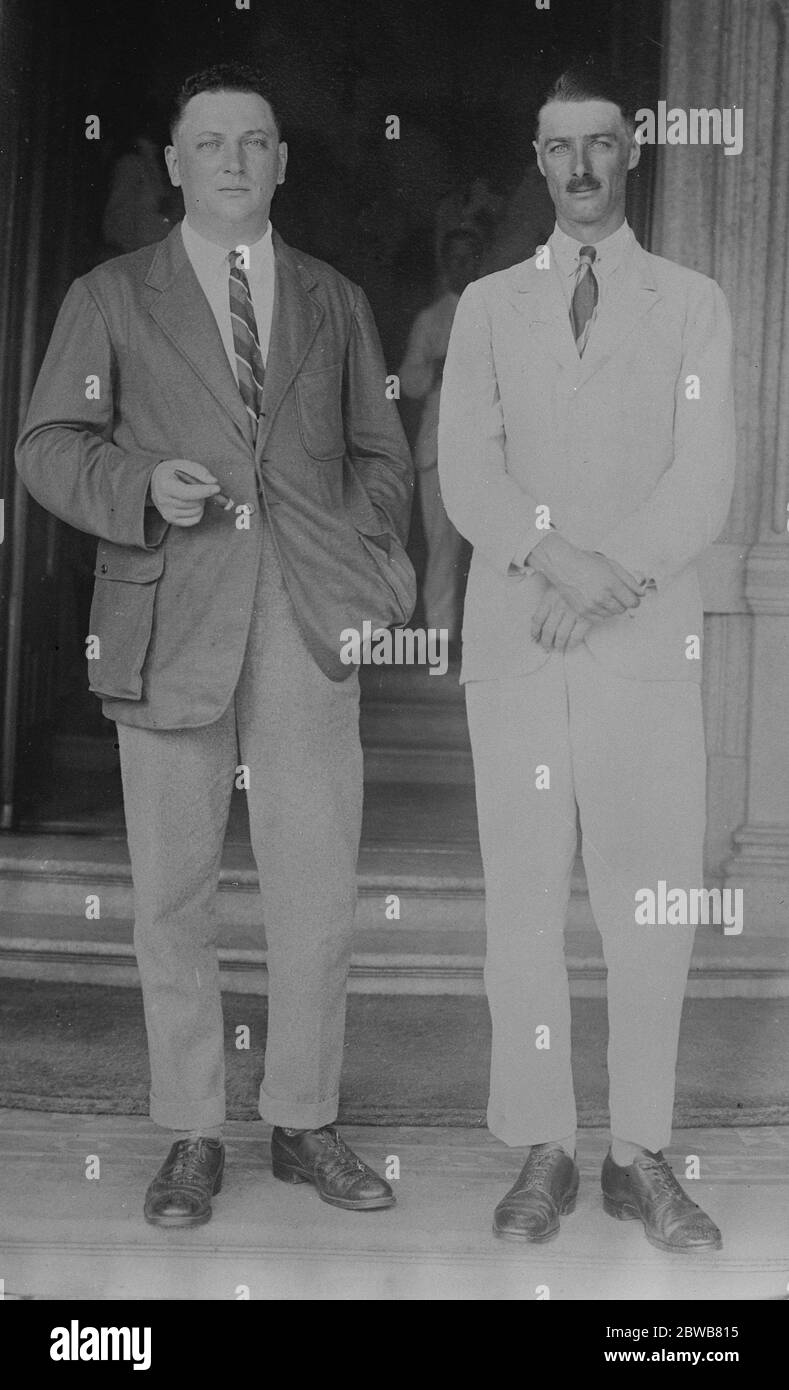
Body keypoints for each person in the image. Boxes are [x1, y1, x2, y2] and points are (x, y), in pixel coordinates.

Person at [17, 63, 415, 1228]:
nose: (234, 159)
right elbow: (47, 444)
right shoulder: (110, 295)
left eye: (255, 141)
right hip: (171, 620)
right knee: (172, 898)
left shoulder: (336, 300)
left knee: (316, 892)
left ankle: (303, 1120)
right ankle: (193, 1131)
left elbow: (383, 457)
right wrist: (142, 481)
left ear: (281, 163)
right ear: (177, 163)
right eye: (210, 142)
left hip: (302, 622)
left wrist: (370, 568)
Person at [438, 61, 735, 1251]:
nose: (581, 168)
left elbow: (702, 475)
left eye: (602, 145)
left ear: (633, 151)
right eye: (559, 148)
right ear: (538, 158)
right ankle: (546, 1150)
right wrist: (562, 565)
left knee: (646, 908)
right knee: (523, 905)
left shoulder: (692, 300)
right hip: (521, 647)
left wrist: (608, 584)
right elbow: (469, 473)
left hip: (643, 647)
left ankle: (640, 1154)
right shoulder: (489, 304)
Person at [399, 228, 482, 642]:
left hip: (488, 450)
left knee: (491, 550)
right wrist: (439, 366)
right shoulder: (430, 320)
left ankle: (486, 640)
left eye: (469, 258)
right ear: (445, 264)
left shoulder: (495, 311)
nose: (461, 267)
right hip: (438, 446)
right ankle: (441, 638)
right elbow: (408, 382)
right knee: (443, 550)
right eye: (455, 259)